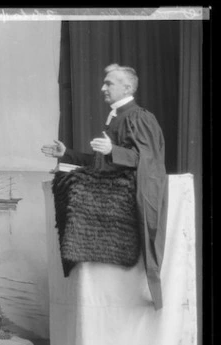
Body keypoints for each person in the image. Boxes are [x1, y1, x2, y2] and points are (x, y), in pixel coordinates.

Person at [40, 63, 168, 310]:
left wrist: (114, 151)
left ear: (127, 87)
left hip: (126, 193)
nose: (102, 88)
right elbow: (102, 162)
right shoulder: (117, 117)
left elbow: (149, 162)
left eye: (109, 83)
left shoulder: (139, 117)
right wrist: (68, 154)